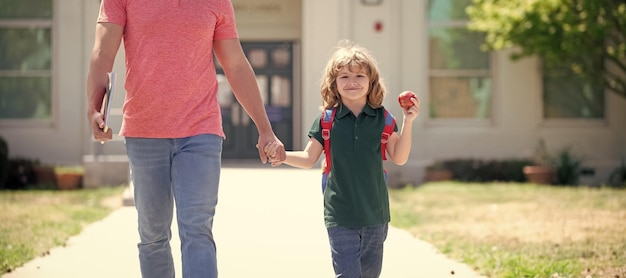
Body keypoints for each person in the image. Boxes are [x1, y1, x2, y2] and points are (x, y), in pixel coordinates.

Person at [86, 1, 286, 277]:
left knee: (197, 229)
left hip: (200, 131)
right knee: (153, 234)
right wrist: (95, 107)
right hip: (144, 131)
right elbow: (103, 51)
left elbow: (235, 64)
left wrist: (265, 128)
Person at [266, 40, 419, 278]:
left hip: (375, 214)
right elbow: (308, 158)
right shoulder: (326, 120)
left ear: (371, 83)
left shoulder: (384, 119)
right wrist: (283, 155)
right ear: (334, 84)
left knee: (370, 274)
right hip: (339, 214)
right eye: (344, 77)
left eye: (359, 75)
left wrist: (409, 121)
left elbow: (399, 157)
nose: (352, 82)